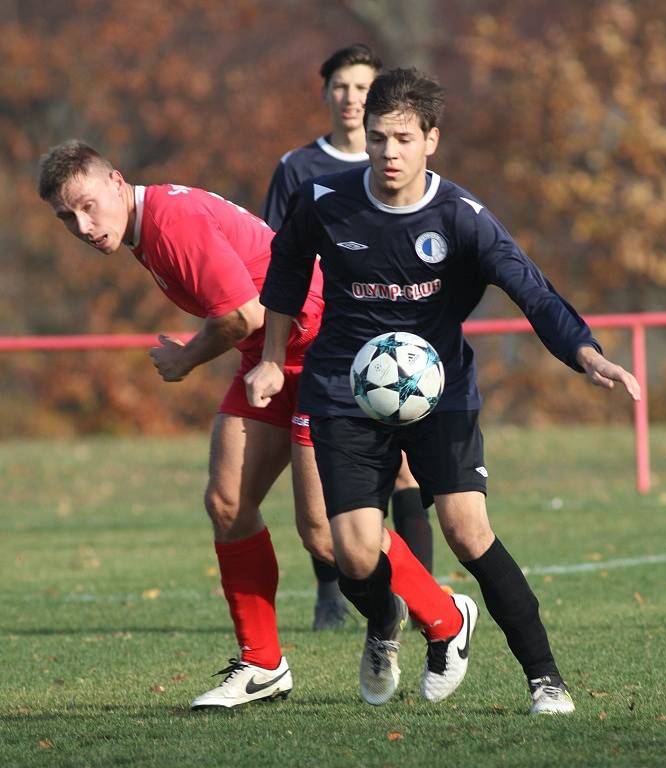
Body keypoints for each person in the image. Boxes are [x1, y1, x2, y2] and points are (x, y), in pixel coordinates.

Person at [246, 68, 641, 714]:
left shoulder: (461, 216)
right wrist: (268, 360)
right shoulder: (323, 201)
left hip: (441, 393)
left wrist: (583, 353)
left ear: (431, 138)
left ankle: (544, 678)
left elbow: (530, 291)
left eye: (402, 138)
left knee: (466, 530)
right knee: (347, 550)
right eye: (377, 139)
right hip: (344, 391)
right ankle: (383, 624)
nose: (388, 153)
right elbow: (285, 273)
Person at [38, 139, 475, 711]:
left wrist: (186, 359)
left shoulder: (170, 223)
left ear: (117, 181)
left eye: (89, 205)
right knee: (227, 502)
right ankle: (262, 663)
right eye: (67, 217)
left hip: (322, 353)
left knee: (323, 533)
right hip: (269, 356)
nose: (84, 224)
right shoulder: (145, 229)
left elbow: (239, 314)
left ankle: (446, 618)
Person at [265, 43, 436, 631]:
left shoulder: (404, 169)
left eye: (362, 87)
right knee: (327, 479)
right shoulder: (299, 169)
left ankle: (423, 603)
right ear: (327, 96)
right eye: (340, 86)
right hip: (323, 342)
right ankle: (332, 593)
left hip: (396, 343)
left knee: (406, 471)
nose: (350, 96)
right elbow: (277, 254)